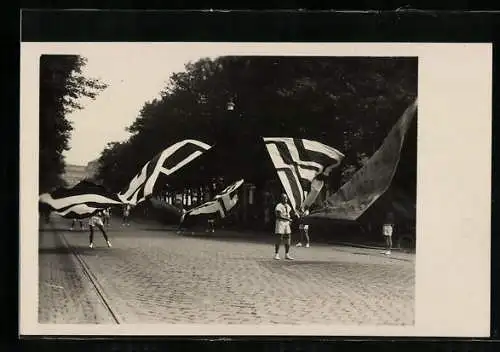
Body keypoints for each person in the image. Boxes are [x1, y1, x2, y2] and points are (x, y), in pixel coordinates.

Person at [274, 193, 294, 260]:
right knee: (279, 238)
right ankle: (276, 254)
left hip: (287, 223)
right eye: (284, 198)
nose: (286, 199)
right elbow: (278, 216)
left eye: (286, 198)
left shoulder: (288, 206)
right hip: (280, 223)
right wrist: (288, 219)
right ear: (281, 199)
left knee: (288, 237)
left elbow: (290, 213)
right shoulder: (279, 206)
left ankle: (287, 254)